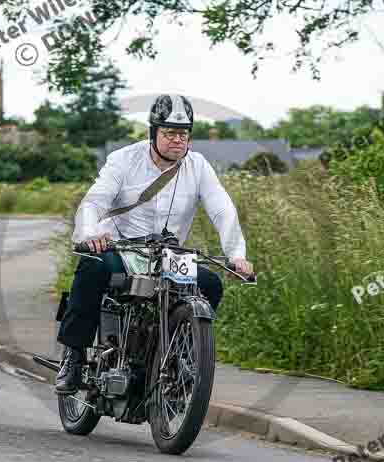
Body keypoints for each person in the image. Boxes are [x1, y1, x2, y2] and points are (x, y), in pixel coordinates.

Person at [54, 94, 254, 395]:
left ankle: (176, 354)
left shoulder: (198, 166)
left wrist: (237, 255)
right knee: (93, 269)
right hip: (120, 248)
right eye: (169, 133)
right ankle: (74, 354)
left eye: (183, 134)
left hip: (168, 255)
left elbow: (222, 209)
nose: (177, 140)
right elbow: (95, 201)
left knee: (210, 284)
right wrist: (89, 233)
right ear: (153, 132)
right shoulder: (124, 160)